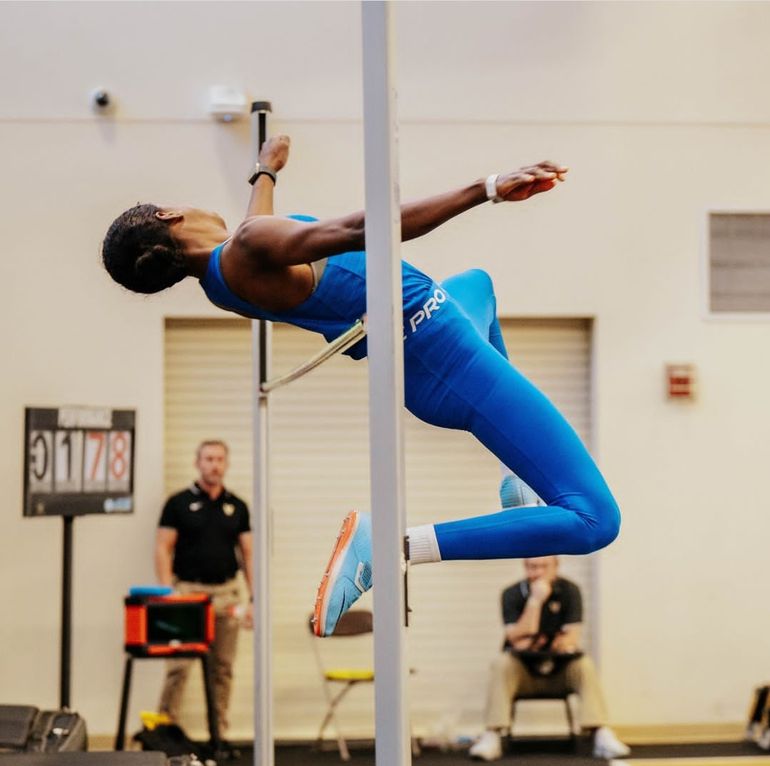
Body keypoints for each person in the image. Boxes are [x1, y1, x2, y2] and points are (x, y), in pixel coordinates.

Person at [102, 135, 621, 639]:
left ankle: (515, 479)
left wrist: (266, 170)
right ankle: (393, 547)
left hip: (437, 333)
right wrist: (486, 188)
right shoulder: (248, 248)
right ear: (168, 215)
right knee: (595, 519)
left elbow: (253, 229)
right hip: (445, 359)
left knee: (478, 283)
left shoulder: (223, 278)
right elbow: (362, 228)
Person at [469, 553, 629, 761]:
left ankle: (600, 732)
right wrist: (535, 601)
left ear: (556, 566)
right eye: (532, 567)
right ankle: (492, 735)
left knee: (584, 665)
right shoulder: (511, 594)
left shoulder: (569, 591)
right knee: (502, 663)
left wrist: (531, 639)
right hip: (523, 675)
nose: (538, 572)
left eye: (544, 566)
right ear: (525, 567)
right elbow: (515, 638)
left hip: (560, 673)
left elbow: (570, 639)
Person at [155, 439, 253, 741]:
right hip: (187, 593)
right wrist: (167, 593)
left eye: (219, 459)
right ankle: (164, 731)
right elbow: (162, 548)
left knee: (222, 668)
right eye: (208, 459)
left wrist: (254, 600)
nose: (214, 465)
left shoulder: (237, 506)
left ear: (226, 464)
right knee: (179, 666)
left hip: (226, 594)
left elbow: (248, 554)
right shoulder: (178, 503)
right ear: (198, 463)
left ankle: (218, 734)